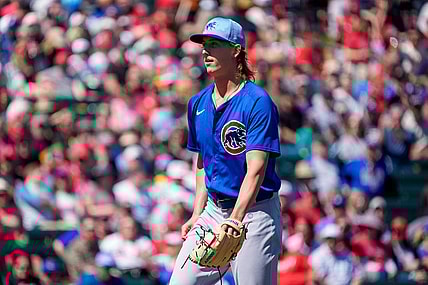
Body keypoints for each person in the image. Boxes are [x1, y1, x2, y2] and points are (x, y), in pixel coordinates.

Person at [169, 16, 282, 285]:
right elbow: (202, 164)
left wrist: (235, 219)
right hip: (212, 212)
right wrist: (197, 212)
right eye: (204, 44)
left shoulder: (257, 102)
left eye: (215, 44)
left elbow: (255, 171)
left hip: (254, 214)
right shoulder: (197, 103)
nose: (206, 51)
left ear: (236, 50)